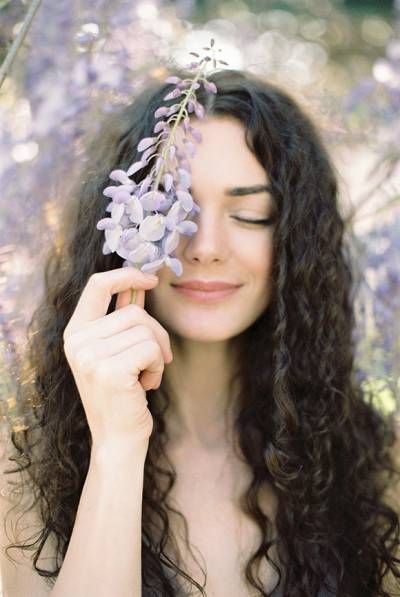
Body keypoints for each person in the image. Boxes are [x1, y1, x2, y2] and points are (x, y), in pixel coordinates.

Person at [1, 67, 399, 597]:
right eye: (174, 205)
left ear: (297, 241)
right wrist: (117, 446)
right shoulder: (18, 473)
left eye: (252, 213)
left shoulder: (378, 465)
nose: (205, 244)